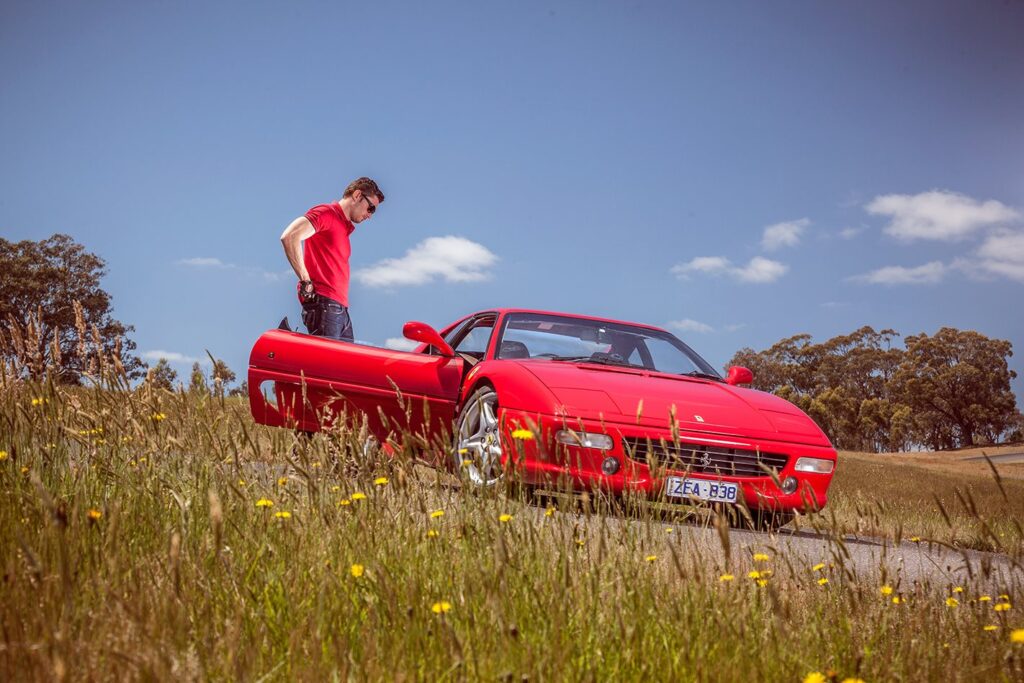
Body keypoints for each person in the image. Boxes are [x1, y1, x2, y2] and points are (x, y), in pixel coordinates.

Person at [280, 177, 384, 342]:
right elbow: (290, 236)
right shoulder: (327, 213)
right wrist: (305, 280)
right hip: (325, 305)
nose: (370, 215)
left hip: (340, 309)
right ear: (357, 195)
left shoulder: (343, 228)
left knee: (346, 367)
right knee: (324, 366)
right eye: (370, 208)